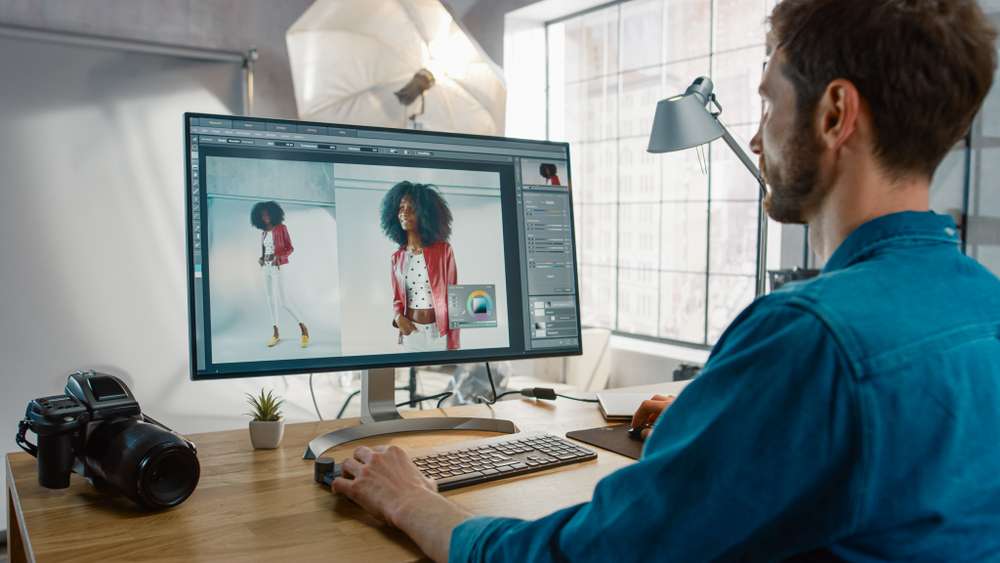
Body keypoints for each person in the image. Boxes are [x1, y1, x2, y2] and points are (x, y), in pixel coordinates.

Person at [330, 1, 1000, 560]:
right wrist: (731, 423)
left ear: (834, 114)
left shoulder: (810, 336)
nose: (758, 138)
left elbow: (590, 555)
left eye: (768, 102)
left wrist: (412, 500)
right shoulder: (985, 305)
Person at [380, 181, 460, 351]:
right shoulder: (396, 258)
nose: (404, 213)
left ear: (425, 214)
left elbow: (455, 299)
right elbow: (397, 299)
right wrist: (397, 318)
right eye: (401, 208)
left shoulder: (444, 251)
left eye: (412, 209)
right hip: (411, 333)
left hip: (439, 334)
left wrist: (454, 345)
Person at [250, 200, 309, 348]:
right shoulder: (263, 233)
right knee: (270, 299)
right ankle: (276, 333)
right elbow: (265, 251)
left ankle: (304, 329)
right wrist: (261, 259)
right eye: (262, 215)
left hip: (278, 267)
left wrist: (279, 257)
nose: (265, 217)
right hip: (266, 268)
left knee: (284, 302)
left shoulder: (281, 228)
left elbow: (290, 248)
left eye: (267, 214)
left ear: (273, 213)